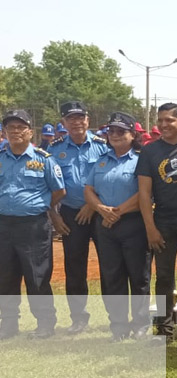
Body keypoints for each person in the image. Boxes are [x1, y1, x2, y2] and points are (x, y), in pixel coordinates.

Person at [84, 112, 151, 342]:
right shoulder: (101, 160)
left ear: (133, 134)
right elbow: (89, 189)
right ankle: (118, 326)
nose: (114, 135)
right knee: (112, 277)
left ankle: (141, 324)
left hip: (133, 224)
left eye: (121, 131)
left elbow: (145, 194)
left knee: (138, 276)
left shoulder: (142, 159)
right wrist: (101, 209)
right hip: (105, 226)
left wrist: (117, 212)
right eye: (111, 131)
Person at [136, 102, 177, 340]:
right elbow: (144, 193)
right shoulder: (150, 151)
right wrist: (150, 227)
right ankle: (164, 327)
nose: (164, 125)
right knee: (163, 276)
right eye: (160, 120)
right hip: (163, 221)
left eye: (169, 120)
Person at [0, 110, 65, 340]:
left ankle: (45, 324)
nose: (15, 131)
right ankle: (8, 325)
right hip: (4, 226)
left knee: (37, 277)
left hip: (34, 226)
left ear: (30, 131)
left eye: (20, 127)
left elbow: (59, 190)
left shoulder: (43, 159)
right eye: (10, 127)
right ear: (4, 132)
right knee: (5, 277)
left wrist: (39, 205)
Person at [48, 101, 110, 335]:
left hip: (101, 211)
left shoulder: (103, 146)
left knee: (109, 264)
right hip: (71, 214)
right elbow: (47, 187)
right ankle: (78, 318)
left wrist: (93, 206)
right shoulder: (54, 150)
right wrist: (54, 216)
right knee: (74, 267)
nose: (76, 122)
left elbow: (108, 179)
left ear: (88, 120)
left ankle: (115, 318)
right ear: (63, 123)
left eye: (80, 117)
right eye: (70, 118)